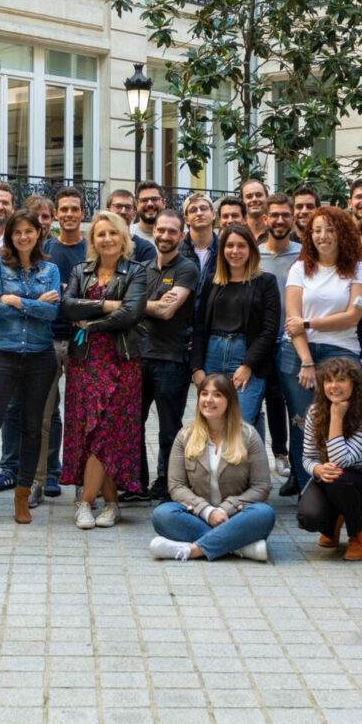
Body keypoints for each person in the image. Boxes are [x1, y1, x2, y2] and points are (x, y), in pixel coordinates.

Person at [0, 209, 62, 524]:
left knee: (32, 427)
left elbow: (52, 315)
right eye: (17, 232)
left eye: (28, 231)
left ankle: (22, 497)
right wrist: (34, 304)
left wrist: (16, 301)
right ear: (10, 236)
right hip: (2, 353)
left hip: (40, 356)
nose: (23, 237)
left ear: (38, 234)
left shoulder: (50, 270)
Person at [59, 211, 149, 528]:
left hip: (121, 361)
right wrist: (109, 306)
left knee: (107, 429)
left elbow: (132, 313)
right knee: (90, 430)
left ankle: (86, 503)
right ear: (92, 240)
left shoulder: (137, 271)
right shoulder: (80, 270)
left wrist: (91, 322)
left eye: (113, 233)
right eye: (100, 234)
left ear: (123, 238)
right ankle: (111, 504)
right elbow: (67, 305)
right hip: (84, 361)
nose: (107, 239)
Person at [282, 206, 362, 505]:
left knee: (345, 420)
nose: (323, 236)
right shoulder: (299, 268)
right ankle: (309, 492)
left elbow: (351, 317)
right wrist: (307, 360)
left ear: (343, 233)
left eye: (330, 229)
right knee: (303, 423)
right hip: (298, 353)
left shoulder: (358, 269)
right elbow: (291, 318)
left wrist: (310, 324)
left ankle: (344, 492)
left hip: (341, 351)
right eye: (317, 230)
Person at [150, 373, 276, 562]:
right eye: (204, 394)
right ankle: (240, 546)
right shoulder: (186, 435)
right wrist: (208, 512)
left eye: (217, 395)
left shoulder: (249, 436)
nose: (209, 400)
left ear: (229, 402)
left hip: (235, 517)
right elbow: (176, 486)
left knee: (264, 514)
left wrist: (225, 509)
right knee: (162, 514)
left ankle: (191, 550)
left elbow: (261, 487)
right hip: (198, 516)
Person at [31, 187, 91, 499]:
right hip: (48, 338)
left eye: (74, 209)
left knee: (82, 414)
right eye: (63, 209)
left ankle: (83, 480)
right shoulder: (44, 250)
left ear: (83, 214)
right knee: (45, 413)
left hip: (84, 340)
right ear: (55, 215)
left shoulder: (93, 251)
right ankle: (43, 478)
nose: (68, 215)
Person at [294, 354, 362, 560]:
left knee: (339, 475)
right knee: (307, 517)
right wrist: (317, 469)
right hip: (331, 478)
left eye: (341, 380)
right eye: (328, 380)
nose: (334, 386)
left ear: (355, 384)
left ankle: (357, 533)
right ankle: (333, 524)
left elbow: (341, 461)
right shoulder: (315, 411)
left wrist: (336, 417)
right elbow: (307, 457)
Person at [190, 223, 281, 425]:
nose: (235, 251)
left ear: (251, 249)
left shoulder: (266, 281)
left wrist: (248, 365)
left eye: (241, 245)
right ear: (222, 250)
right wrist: (197, 368)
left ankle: (251, 456)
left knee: (241, 423)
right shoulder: (212, 281)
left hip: (246, 357)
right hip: (212, 356)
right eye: (230, 245)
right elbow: (199, 326)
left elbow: (269, 330)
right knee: (212, 423)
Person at [137, 209, 200, 501]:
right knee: (132, 424)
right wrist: (146, 304)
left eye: (172, 231)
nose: (164, 235)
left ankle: (167, 483)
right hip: (139, 357)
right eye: (161, 230)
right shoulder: (143, 267)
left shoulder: (187, 269)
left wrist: (135, 305)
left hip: (171, 359)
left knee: (169, 430)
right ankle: (136, 483)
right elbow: (150, 306)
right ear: (154, 232)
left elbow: (166, 310)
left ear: (181, 235)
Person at [259, 192, 302, 486]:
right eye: (274, 215)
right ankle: (277, 456)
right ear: (265, 219)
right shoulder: (254, 254)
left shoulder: (304, 254)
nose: (280, 220)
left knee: (296, 407)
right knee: (269, 400)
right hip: (262, 341)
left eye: (285, 215)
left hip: (294, 342)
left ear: (293, 218)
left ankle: (301, 474)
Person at [179, 193, 217, 281]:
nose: (199, 213)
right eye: (193, 210)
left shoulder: (225, 250)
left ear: (213, 214)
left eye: (203, 208)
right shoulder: (176, 252)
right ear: (186, 219)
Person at [238, 177, 269, 242]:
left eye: (259, 195)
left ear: (267, 197)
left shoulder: (276, 229)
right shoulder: (237, 232)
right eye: (249, 196)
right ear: (242, 201)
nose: (254, 199)